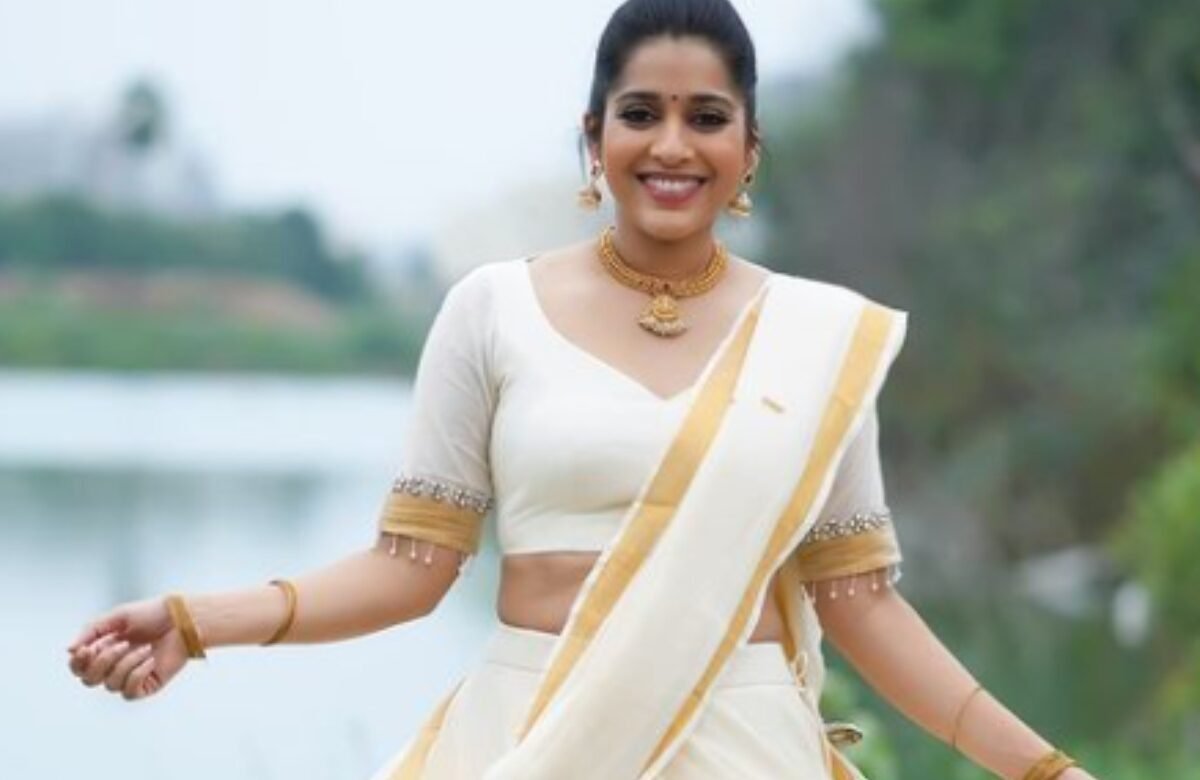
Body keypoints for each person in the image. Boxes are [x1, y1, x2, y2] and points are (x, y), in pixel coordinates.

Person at [66, 1, 1098, 778]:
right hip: (535, 731)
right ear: (594, 136)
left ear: (749, 150)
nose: (672, 144)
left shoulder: (818, 339)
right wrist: (196, 621)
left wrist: (1044, 772)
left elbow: (862, 606)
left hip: (745, 744)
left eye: (707, 116)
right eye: (641, 113)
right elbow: (409, 571)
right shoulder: (492, 309)